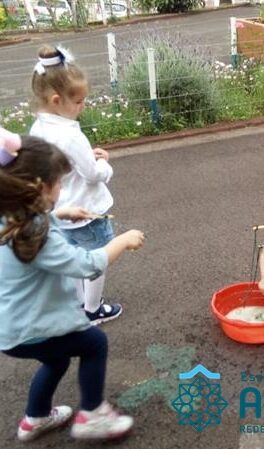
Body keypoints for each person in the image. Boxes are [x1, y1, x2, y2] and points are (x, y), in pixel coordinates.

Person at [0, 134, 144, 441]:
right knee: (94, 344)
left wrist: (58, 213)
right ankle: (92, 416)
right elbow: (87, 264)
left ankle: (35, 418)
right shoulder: (37, 233)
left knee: (57, 359)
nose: (62, 189)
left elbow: (31, 222)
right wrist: (122, 240)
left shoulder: (9, 217)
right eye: (59, 183)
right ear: (40, 188)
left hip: (10, 328)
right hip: (33, 327)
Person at [29, 45, 122, 324]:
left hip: (60, 211)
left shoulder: (38, 128)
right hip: (87, 210)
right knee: (96, 259)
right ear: (57, 100)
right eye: (79, 101)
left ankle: (79, 303)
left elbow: (62, 161)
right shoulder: (70, 134)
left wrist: (84, 157)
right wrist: (105, 164)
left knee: (72, 258)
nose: (83, 106)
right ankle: (92, 310)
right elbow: (92, 174)